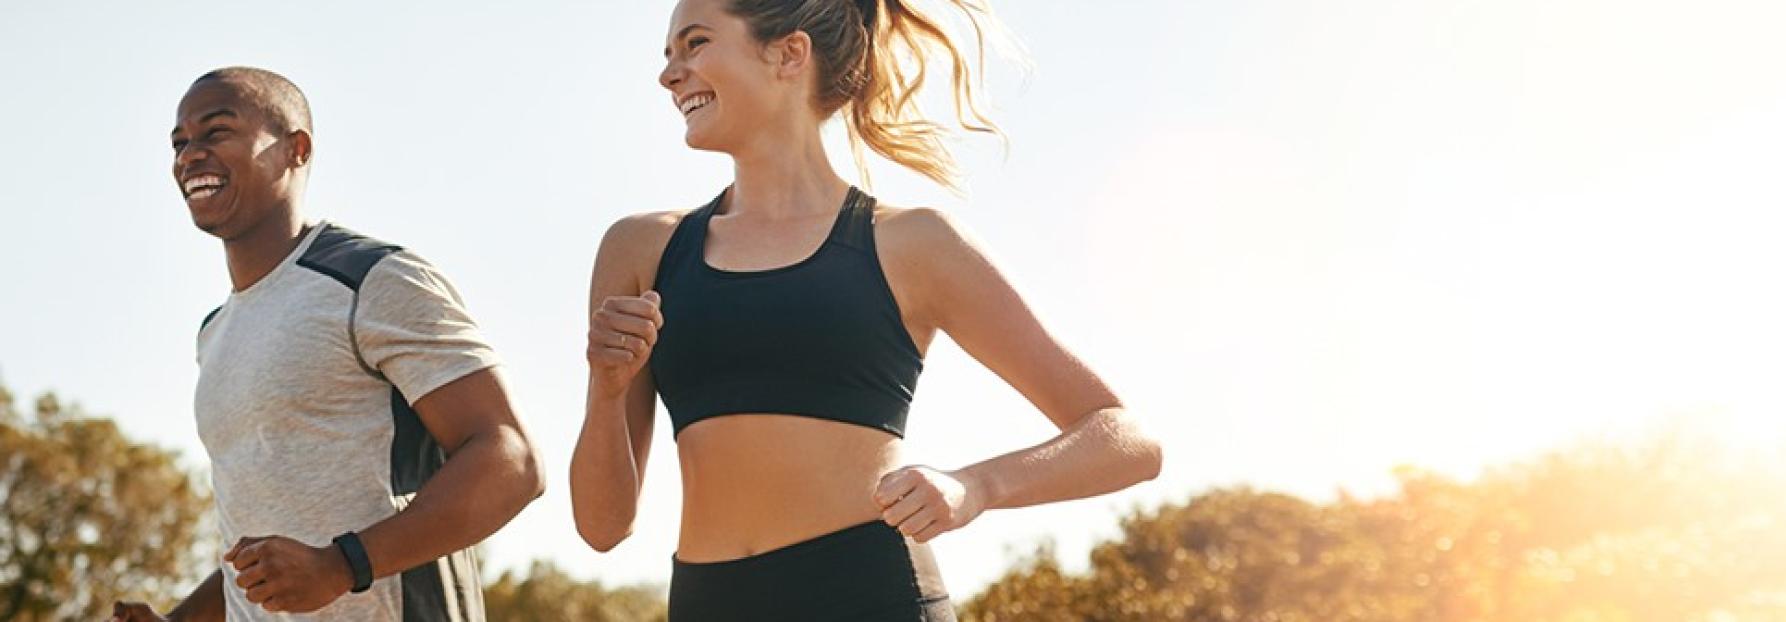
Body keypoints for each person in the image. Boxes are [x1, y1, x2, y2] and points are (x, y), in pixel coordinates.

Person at [568, 1, 1163, 619]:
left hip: (873, 595)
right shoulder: (641, 249)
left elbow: (1125, 439)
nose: (670, 74)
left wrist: (977, 486)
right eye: (668, 55)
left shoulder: (914, 244)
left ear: (789, 54)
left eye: (694, 44)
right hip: (708, 604)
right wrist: (608, 390)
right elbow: (601, 526)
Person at [111, 67, 544, 621]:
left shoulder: (373, 279)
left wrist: (342, 565)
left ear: (296, 148)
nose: (190, 154)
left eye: (217, 132)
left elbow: (511, 459)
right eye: (180, 142)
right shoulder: (215, 333)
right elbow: (270, 560)